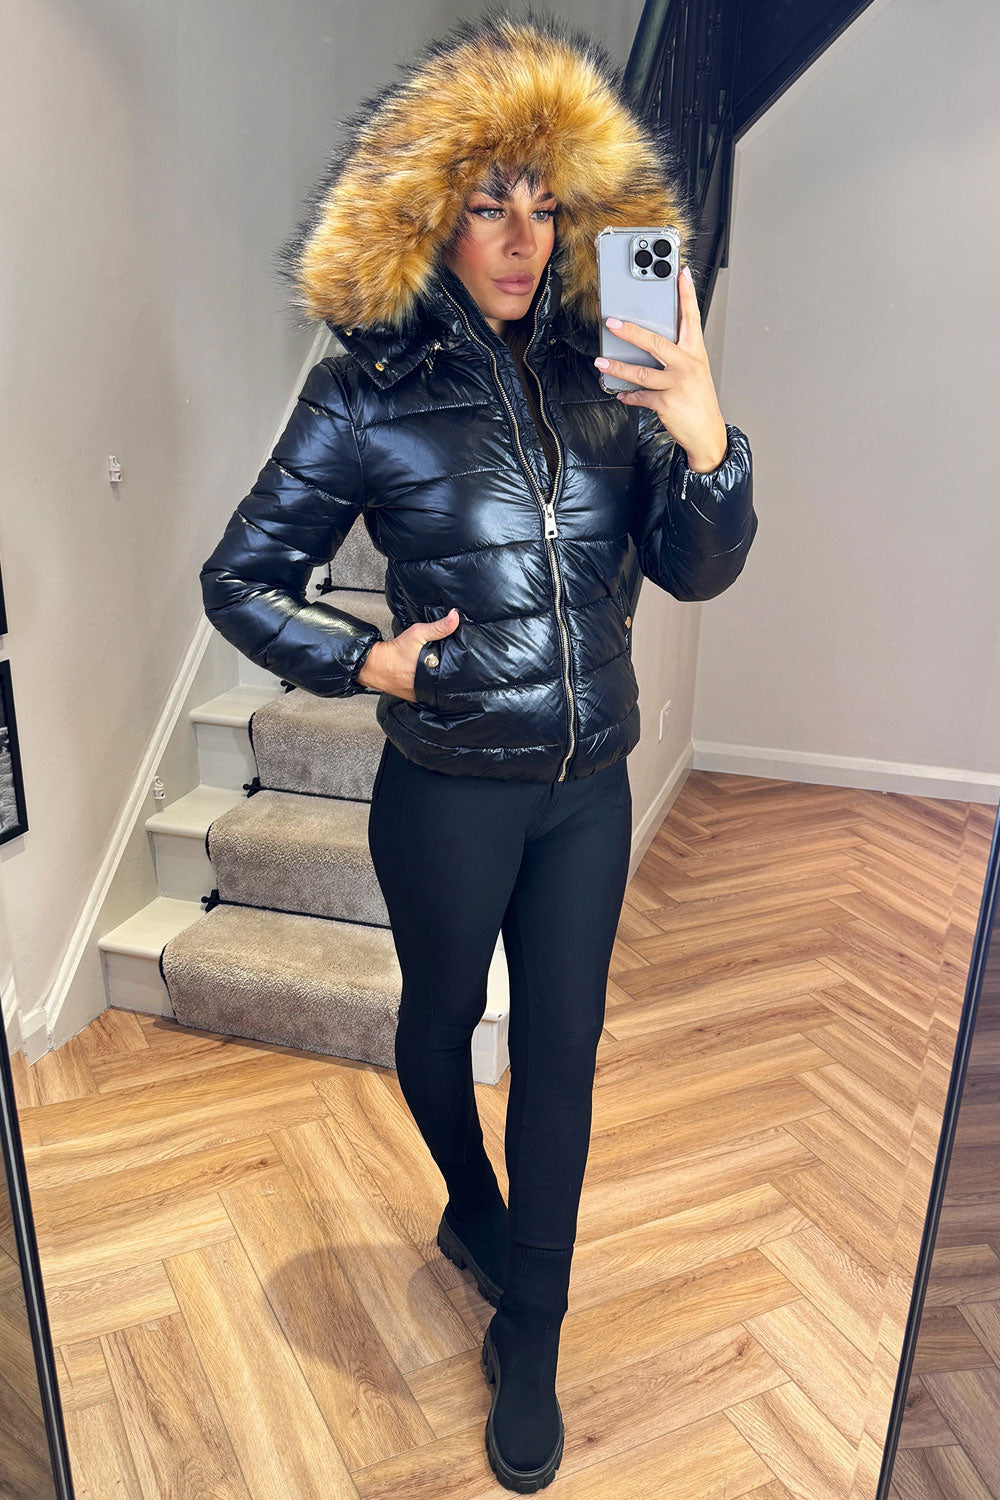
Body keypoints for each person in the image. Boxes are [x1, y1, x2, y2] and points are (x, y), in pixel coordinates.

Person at [200, 8, 757, 1491]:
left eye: (544, 205)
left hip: (585, 794)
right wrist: (358, 655)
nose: (521, 237)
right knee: (441, 1023)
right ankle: (468, 1200)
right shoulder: (364, 389)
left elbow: (696, 568)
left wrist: (705, 432)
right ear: (429, 213)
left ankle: (536, 1330)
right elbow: (239, 578)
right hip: (447, 791)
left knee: (562, 1056)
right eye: (487, 202)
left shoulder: (611, 370)